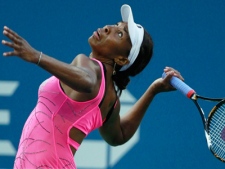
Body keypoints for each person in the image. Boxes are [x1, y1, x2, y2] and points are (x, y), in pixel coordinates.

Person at [2, 4, 184, 169]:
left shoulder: (88, 65)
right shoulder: (111, 100)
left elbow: (87, 82)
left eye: (120, 34)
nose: (109, 28)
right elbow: (118, 135)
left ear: (121, 59)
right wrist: (153, 90)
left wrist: (37, 57)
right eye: (117, 25)